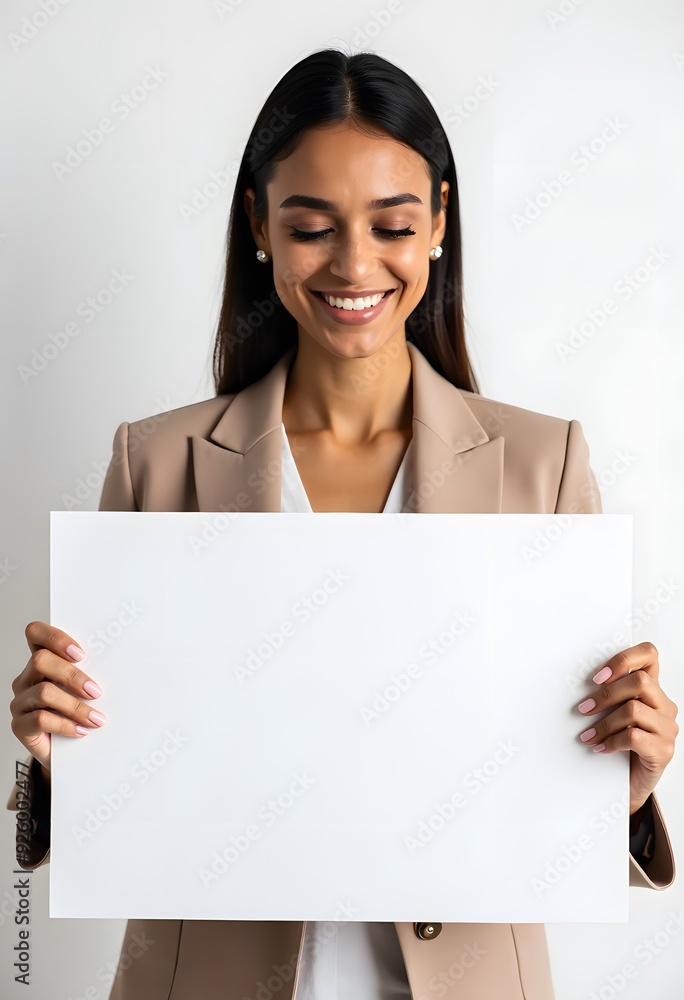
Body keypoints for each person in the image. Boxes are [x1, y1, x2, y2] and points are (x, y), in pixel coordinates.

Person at [7, 48, 678, 1000]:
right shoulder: (154, 463)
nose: (355, 265)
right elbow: (119, 802)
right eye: (313, 227)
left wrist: (630, 781)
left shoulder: (543, 464)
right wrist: (53, 754)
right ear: (259, 228)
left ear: (440, 222)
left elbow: (554, 788)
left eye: (393, 225)